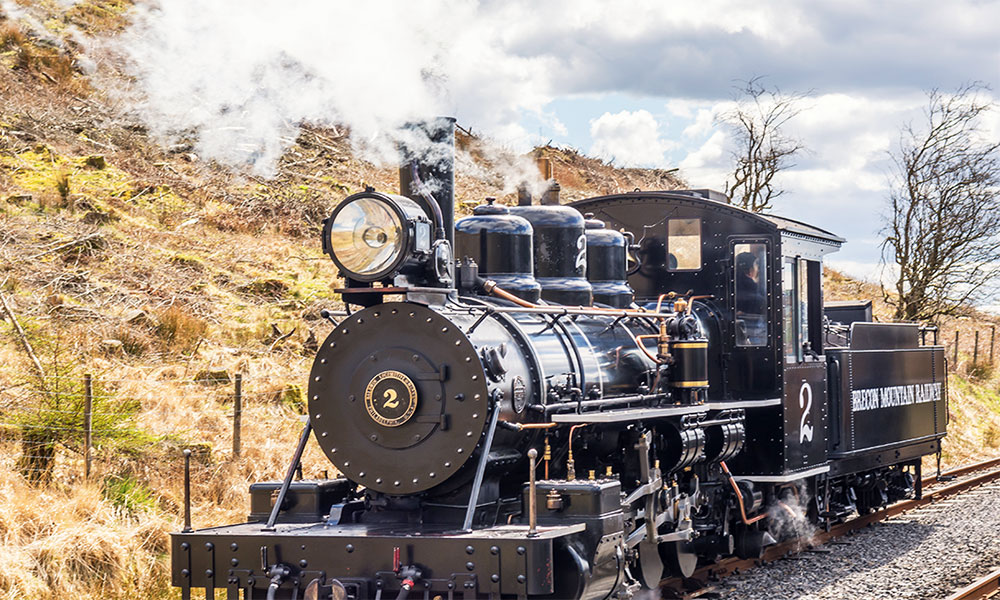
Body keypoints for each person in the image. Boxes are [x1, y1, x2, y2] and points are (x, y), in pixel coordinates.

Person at [736, 251, 766, 344]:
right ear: (750, 269)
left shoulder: (732, 285)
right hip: (753, 333)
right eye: (756, 266)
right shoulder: (754, 288)